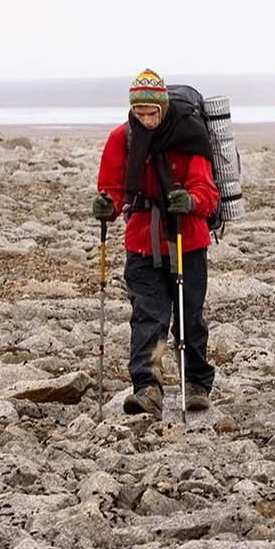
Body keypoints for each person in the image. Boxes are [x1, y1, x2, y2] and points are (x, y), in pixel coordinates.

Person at [93, 69, 219, 416]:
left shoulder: (189, 135)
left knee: (190, 315)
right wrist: (108, 206)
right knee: (148, 315)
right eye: (140, 113)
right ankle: (148, 388)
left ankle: (196, 384)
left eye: (152, 113)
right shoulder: (123, 138)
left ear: (163, 108)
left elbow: (207, 191)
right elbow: (114, 189)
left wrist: (190, 202)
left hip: (187, 240)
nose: (146, 120)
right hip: (141, 241)